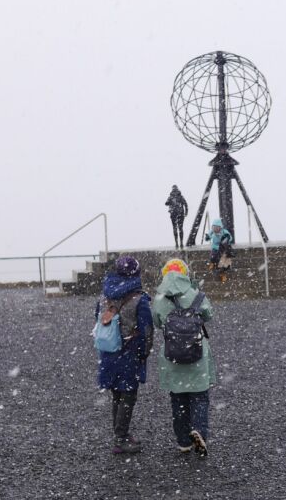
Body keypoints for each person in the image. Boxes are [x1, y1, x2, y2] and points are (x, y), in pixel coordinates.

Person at [152, 259, 217, 456]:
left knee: (178, 399)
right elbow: (208, 314)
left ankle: (183, 441)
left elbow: (157, 322)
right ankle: (199, 432)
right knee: (199, 397)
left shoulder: (160, 297)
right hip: (196, 351)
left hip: (173, 353)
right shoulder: (194, 293)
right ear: (185, 273)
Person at [94, 256, 153, 455]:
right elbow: (146, 331)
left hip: (108, 351)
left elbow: (98, 319)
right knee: (128, 396)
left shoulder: (104, 296)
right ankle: (120, 439)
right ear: (136, 274)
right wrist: (143, 354)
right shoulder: (140, 299)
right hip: (129, 354)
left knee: (117, 396)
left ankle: (121, 434)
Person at [204, 218, 234, 283]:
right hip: (215, 247)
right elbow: (208, 236)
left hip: (223, 248)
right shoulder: (212, 231)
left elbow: (230, 238)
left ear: (220, 227)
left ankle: (222, 274)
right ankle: (212, 263)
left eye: (216, 228)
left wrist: (227, 237)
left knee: (224, 262)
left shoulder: (224, 232)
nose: (215, 229)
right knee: (213, 256)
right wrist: (207, 237)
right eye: (214, 227)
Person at [165, 185, 189, 249]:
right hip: (180, 214)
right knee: (180, 228)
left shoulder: (171, 197)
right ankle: (181, 242)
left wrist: (170, 202)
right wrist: (186, 212)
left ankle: (177, 243)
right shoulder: (180, 197)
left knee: (175, 228)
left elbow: (166, 203)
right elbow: (186, 204)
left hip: (173, 214)